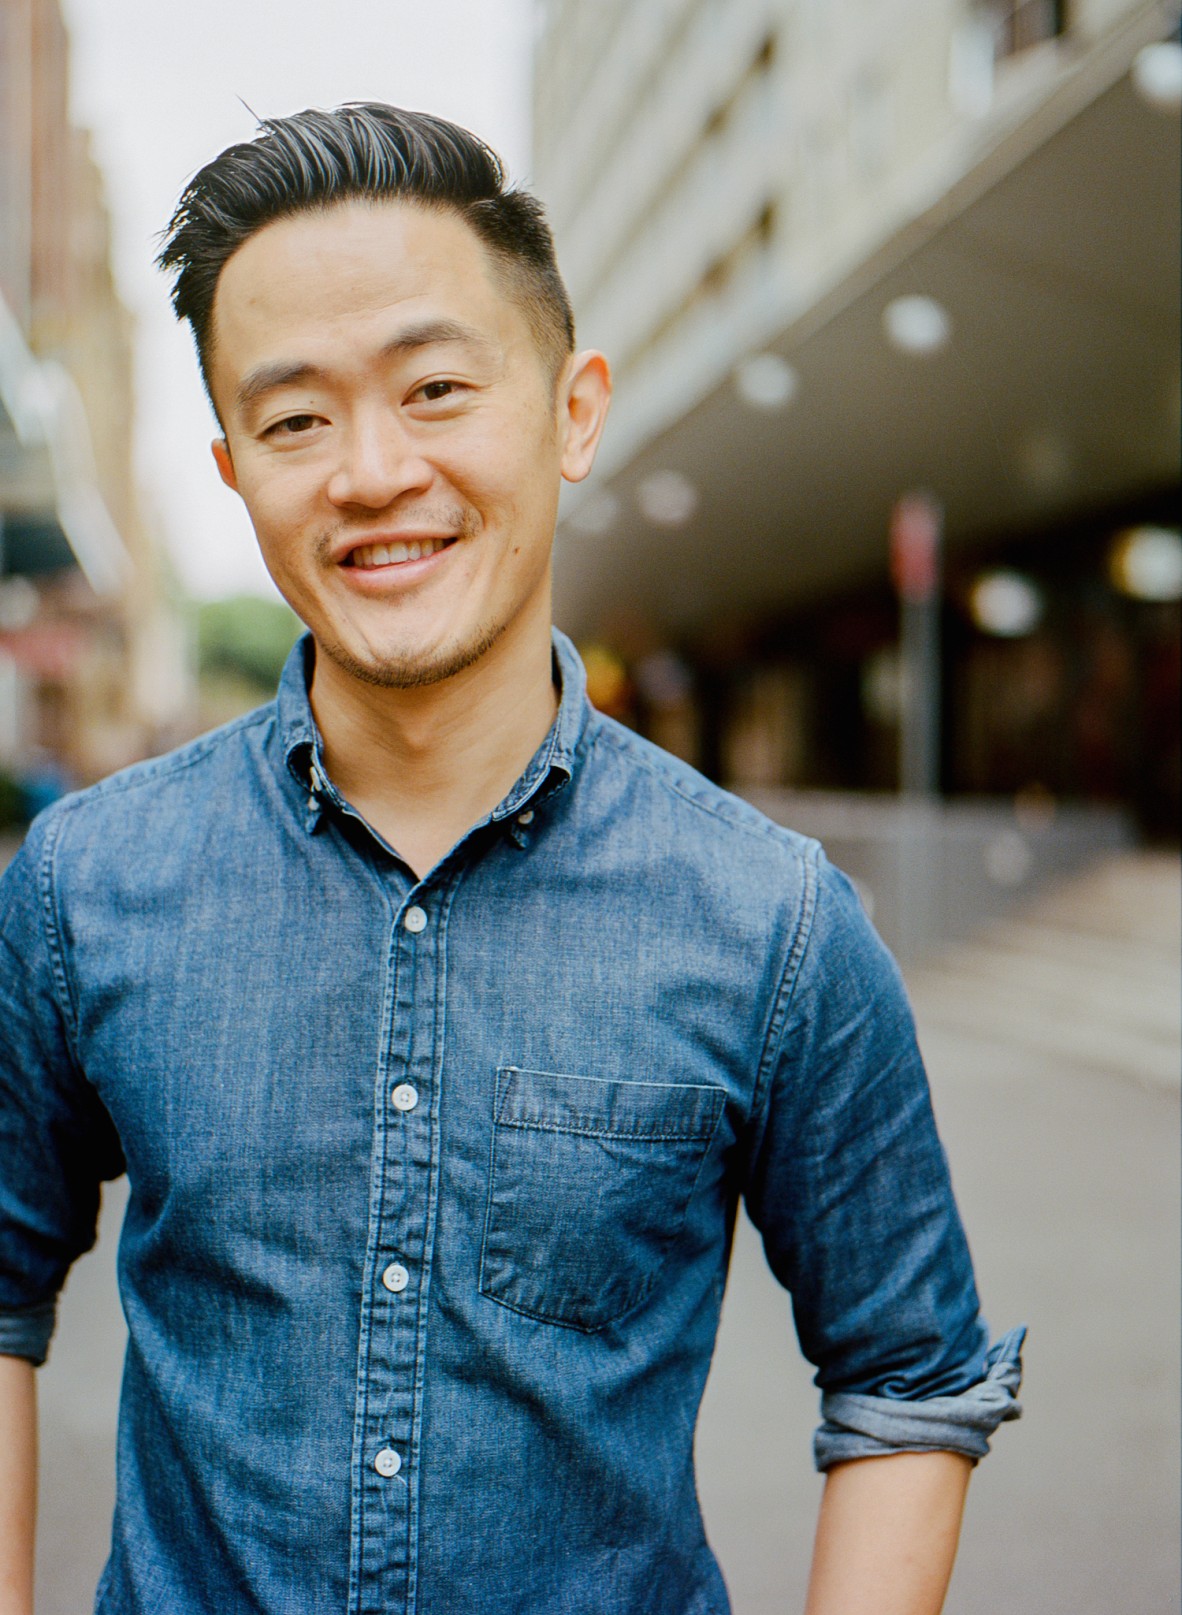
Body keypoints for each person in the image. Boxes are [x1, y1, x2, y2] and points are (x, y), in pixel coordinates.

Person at [0, 104, 1022, 1615]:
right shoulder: (85, 886)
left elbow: (908, 1376)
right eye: (293, 420)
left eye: (434, 389)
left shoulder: (773, 923)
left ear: (571, 411)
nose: (368, 472)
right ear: (229, 467)